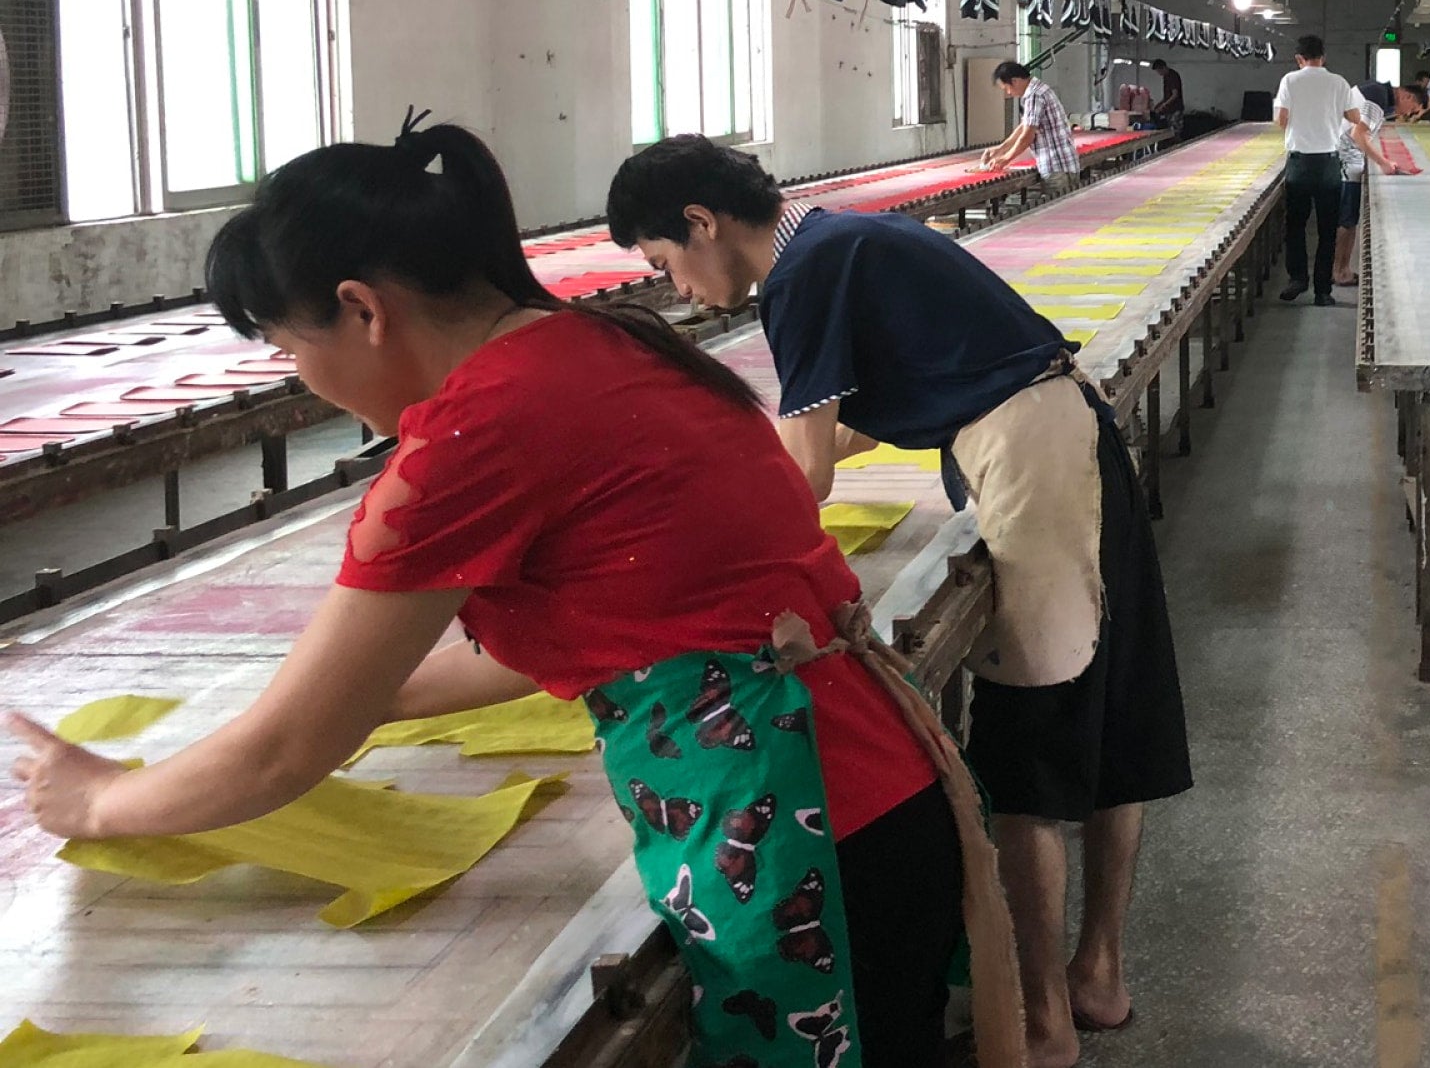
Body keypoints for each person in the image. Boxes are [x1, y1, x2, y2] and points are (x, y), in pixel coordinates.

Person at [3, 120, 980, 1067]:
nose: (301, 381)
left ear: (363, 309)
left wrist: (101, 802)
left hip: (792, 832)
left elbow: (282, 755)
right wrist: (368, 692)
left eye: (288, 350)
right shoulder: (612, 346)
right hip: (869, 786)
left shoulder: (480, 429)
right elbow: (620, 618)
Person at [607, 137, 1192, 1068]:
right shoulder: (840, 243)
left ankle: (1043, 1026)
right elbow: (847, 433)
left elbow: (806, 476)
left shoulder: (804, 274)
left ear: (701, 223)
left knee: (1030, 751)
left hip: (1037, 465)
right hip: (1068, 439)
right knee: (1112, 725)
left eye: (662, 262)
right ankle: (1096, 975)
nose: (675, 287)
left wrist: (696, 576)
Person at [1271, 34, 1373, 307]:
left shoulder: (1289, 80)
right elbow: (1354, 117)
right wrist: (1330, 111)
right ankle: (1322, 291)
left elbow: (1281, 120)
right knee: (1328, 229)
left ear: (1299, 58)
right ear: (1323, 57)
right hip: (1329, 165)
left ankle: (1297, 279)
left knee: (1295, 225)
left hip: (1299, 164)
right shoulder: (1339, 82)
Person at [1334, 78, 1414, 289]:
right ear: (1406, 96)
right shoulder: (1377, 97)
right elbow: (1358, 134)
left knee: (1349, 220)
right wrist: (1383, 163)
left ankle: (1342, 269)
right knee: (1347, 220)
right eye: (1412, 108)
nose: (1407, 113)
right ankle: (1339, 271)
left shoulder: (1375, 92)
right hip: (1345, 162)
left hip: (1344, 158)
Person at [982, 60, 1081, 192]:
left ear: (1015, 81)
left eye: (1007, 88)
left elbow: (1027, 136)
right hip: (1066, 165)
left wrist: (1006, 158)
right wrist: (1001, 149)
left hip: (1056, 168)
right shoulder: (1040, 89)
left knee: (1059, 204)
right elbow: (1025, 125)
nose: (1009, 93)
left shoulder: (1034, 96)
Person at [1147, 59, 1185, 130]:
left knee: (1175, 129)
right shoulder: (1166, 77)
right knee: (1169, 130)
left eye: (1159, 71)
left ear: (1164, 67)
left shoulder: (1173, 76)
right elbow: (1167, 96)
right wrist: (1159, 104)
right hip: (1169, 110)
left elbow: (1175, 95)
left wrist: (1163, 105)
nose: (1159, 73)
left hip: (1175, 109)